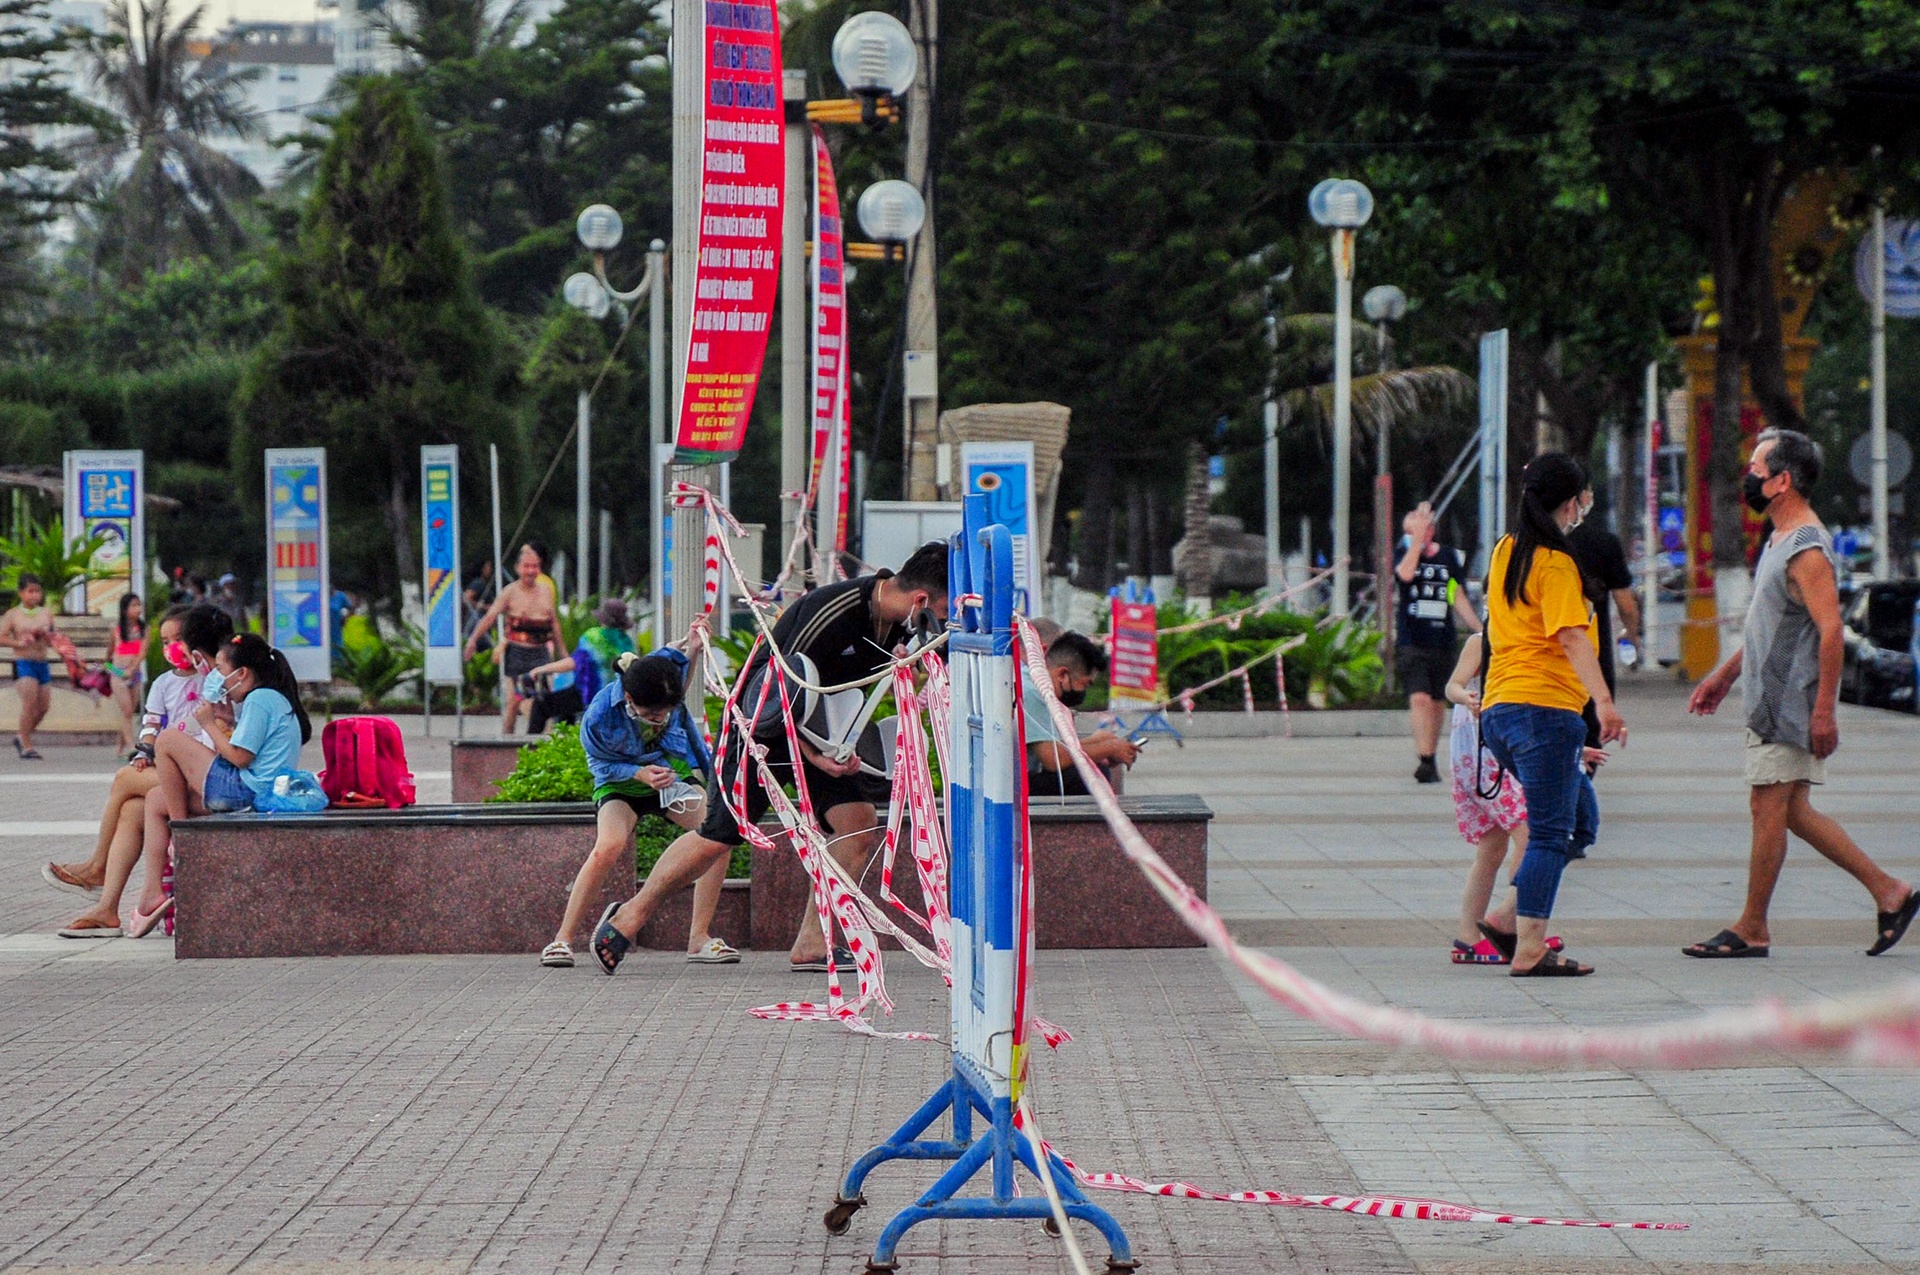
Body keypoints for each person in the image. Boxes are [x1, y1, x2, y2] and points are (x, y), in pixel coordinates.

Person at [589, 542, 950, 976]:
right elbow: (777, 692)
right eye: (944, 614)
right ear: (922, 601)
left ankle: (813, 945)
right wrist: (816, 757)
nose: (943, 624)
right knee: (719, 834)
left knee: (856, 826)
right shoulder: (834, 611)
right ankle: (629, 916)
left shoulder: (898, 621)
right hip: (760, 724)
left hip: (820, 732)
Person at [1684, 429, 1916, 959]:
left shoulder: (1806, 547)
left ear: (1782, 481)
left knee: (1769, 808)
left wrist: (1824, 713)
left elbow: (1831, 631)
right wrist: (1725, 675)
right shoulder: (1780, 540)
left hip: (1786, 703)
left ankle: (1751, 927)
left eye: (1757, 468)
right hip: (1772, 697)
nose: (1750, 477)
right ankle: (1890, 891)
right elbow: (1772, 630)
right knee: (1791, 811)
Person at [1478, 453, 1625, 977]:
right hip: (1541, 710)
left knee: (1579, 823)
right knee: (1548, 833)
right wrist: (1604, 704)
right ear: (1571, 502)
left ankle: (1504, 919)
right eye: (1584, 495)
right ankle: (1531, 946)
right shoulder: (1555, 563)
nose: (1586, 504)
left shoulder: (1505, 551)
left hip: (1503, 712)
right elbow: (1569, 635)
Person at [541, 649, 734, 967]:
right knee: (608, 846)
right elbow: (598, 762)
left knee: (718, 834)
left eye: (665, 714)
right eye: (652, 714)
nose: (659, 719)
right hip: (621, 783)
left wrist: (696, 648)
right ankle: (562, 940)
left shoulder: (661, 683)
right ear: (629, 697)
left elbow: (678, 663)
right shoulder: (601, 712)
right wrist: (637, 773)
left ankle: (699, 938)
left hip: (667, 779)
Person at [48, 605, 232, 937]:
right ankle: (107, 909)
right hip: (181, 771)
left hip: (203, 778)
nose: (174, 647)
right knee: (133, 809)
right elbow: (152, 723)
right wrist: (147, 750)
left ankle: (97, 867)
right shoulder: (164, 682)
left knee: (123, 779)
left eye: (180, 639)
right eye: (166, 641)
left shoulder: (217, 680)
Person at [126, 633, 312, 937]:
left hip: (245, 791)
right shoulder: (271, 698)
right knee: (156, 799)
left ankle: (182, 835)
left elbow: (240, 758)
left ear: (243, 674)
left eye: (222, 672)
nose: (217, 680)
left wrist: (210, 724)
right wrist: (229, 721)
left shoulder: (261, 699)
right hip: (252, 791)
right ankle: (151, 893)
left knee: (169, 740)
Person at [1394, 502, 1484, 783]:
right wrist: (1415, 544)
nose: (1420, 529)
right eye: (1414, 526)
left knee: (1436, 702)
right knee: (1419, 698)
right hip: (1412, 640)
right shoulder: (1406, 553)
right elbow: (1405, 575)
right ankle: (1424, 758)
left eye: (1424, 525)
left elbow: (1456, 596)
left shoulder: (1447, 557)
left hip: (1441, 641)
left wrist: (1482, 630)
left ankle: (1431, 755)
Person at [1023, 629, 1139, 796]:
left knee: (1093, 767)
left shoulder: (1032, 680)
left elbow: (1053, 748)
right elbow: (1054, 759)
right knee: (1087, 776)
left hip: (1021, 776)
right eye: (1084, 684)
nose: (1083, 692)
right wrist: (1108, 748)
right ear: (1062, 674)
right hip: (1016, 786)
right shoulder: (1033, 693)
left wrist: (1097, 743)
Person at [463, 544, 561, 735]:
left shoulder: (546, 591)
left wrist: (563, 653)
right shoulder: (510, 592)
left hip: (540, 652)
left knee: (544, 700)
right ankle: (507, 743)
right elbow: (489, 617)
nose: (531, 571)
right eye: (526, 566)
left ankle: (544, 743)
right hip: (517, 653)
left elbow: (554, 622)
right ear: (518, 568)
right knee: (513, 702)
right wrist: (472, 640)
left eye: (535, 566)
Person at [526, 597, 637, 734]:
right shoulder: (626, 642)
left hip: (589, 693)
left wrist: (541, 669)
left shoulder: (594, 637)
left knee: (541, 705)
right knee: (565, 709)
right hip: (615, 697)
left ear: (602, 619)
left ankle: (530, 746)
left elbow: (573, 663)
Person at [1, 573, 56, 759]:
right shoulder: (13, 615)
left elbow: (53, 636)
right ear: (21, 593)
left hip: (42, 662)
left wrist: (46, 635)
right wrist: (18, 643)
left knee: (44, 706)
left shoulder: (45, 613)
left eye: (37, 591)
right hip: (23, 662)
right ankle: (26, 744)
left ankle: (22, 735)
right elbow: (1, 637)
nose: (33, 595)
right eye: (30, 591)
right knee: (29, 703)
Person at [108, 593, 147, 753]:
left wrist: (132, 669)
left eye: (139, 605)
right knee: (127, 709)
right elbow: (111, 649)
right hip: (118, 671)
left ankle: (121, 745)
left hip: (134, 673)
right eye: (134, 605)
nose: (138, 609)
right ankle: (132, 746)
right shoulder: (116, 628)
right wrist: (108, 666)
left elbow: (142, 651)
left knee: (131, 711)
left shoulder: (144, 628)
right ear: (125, 609)